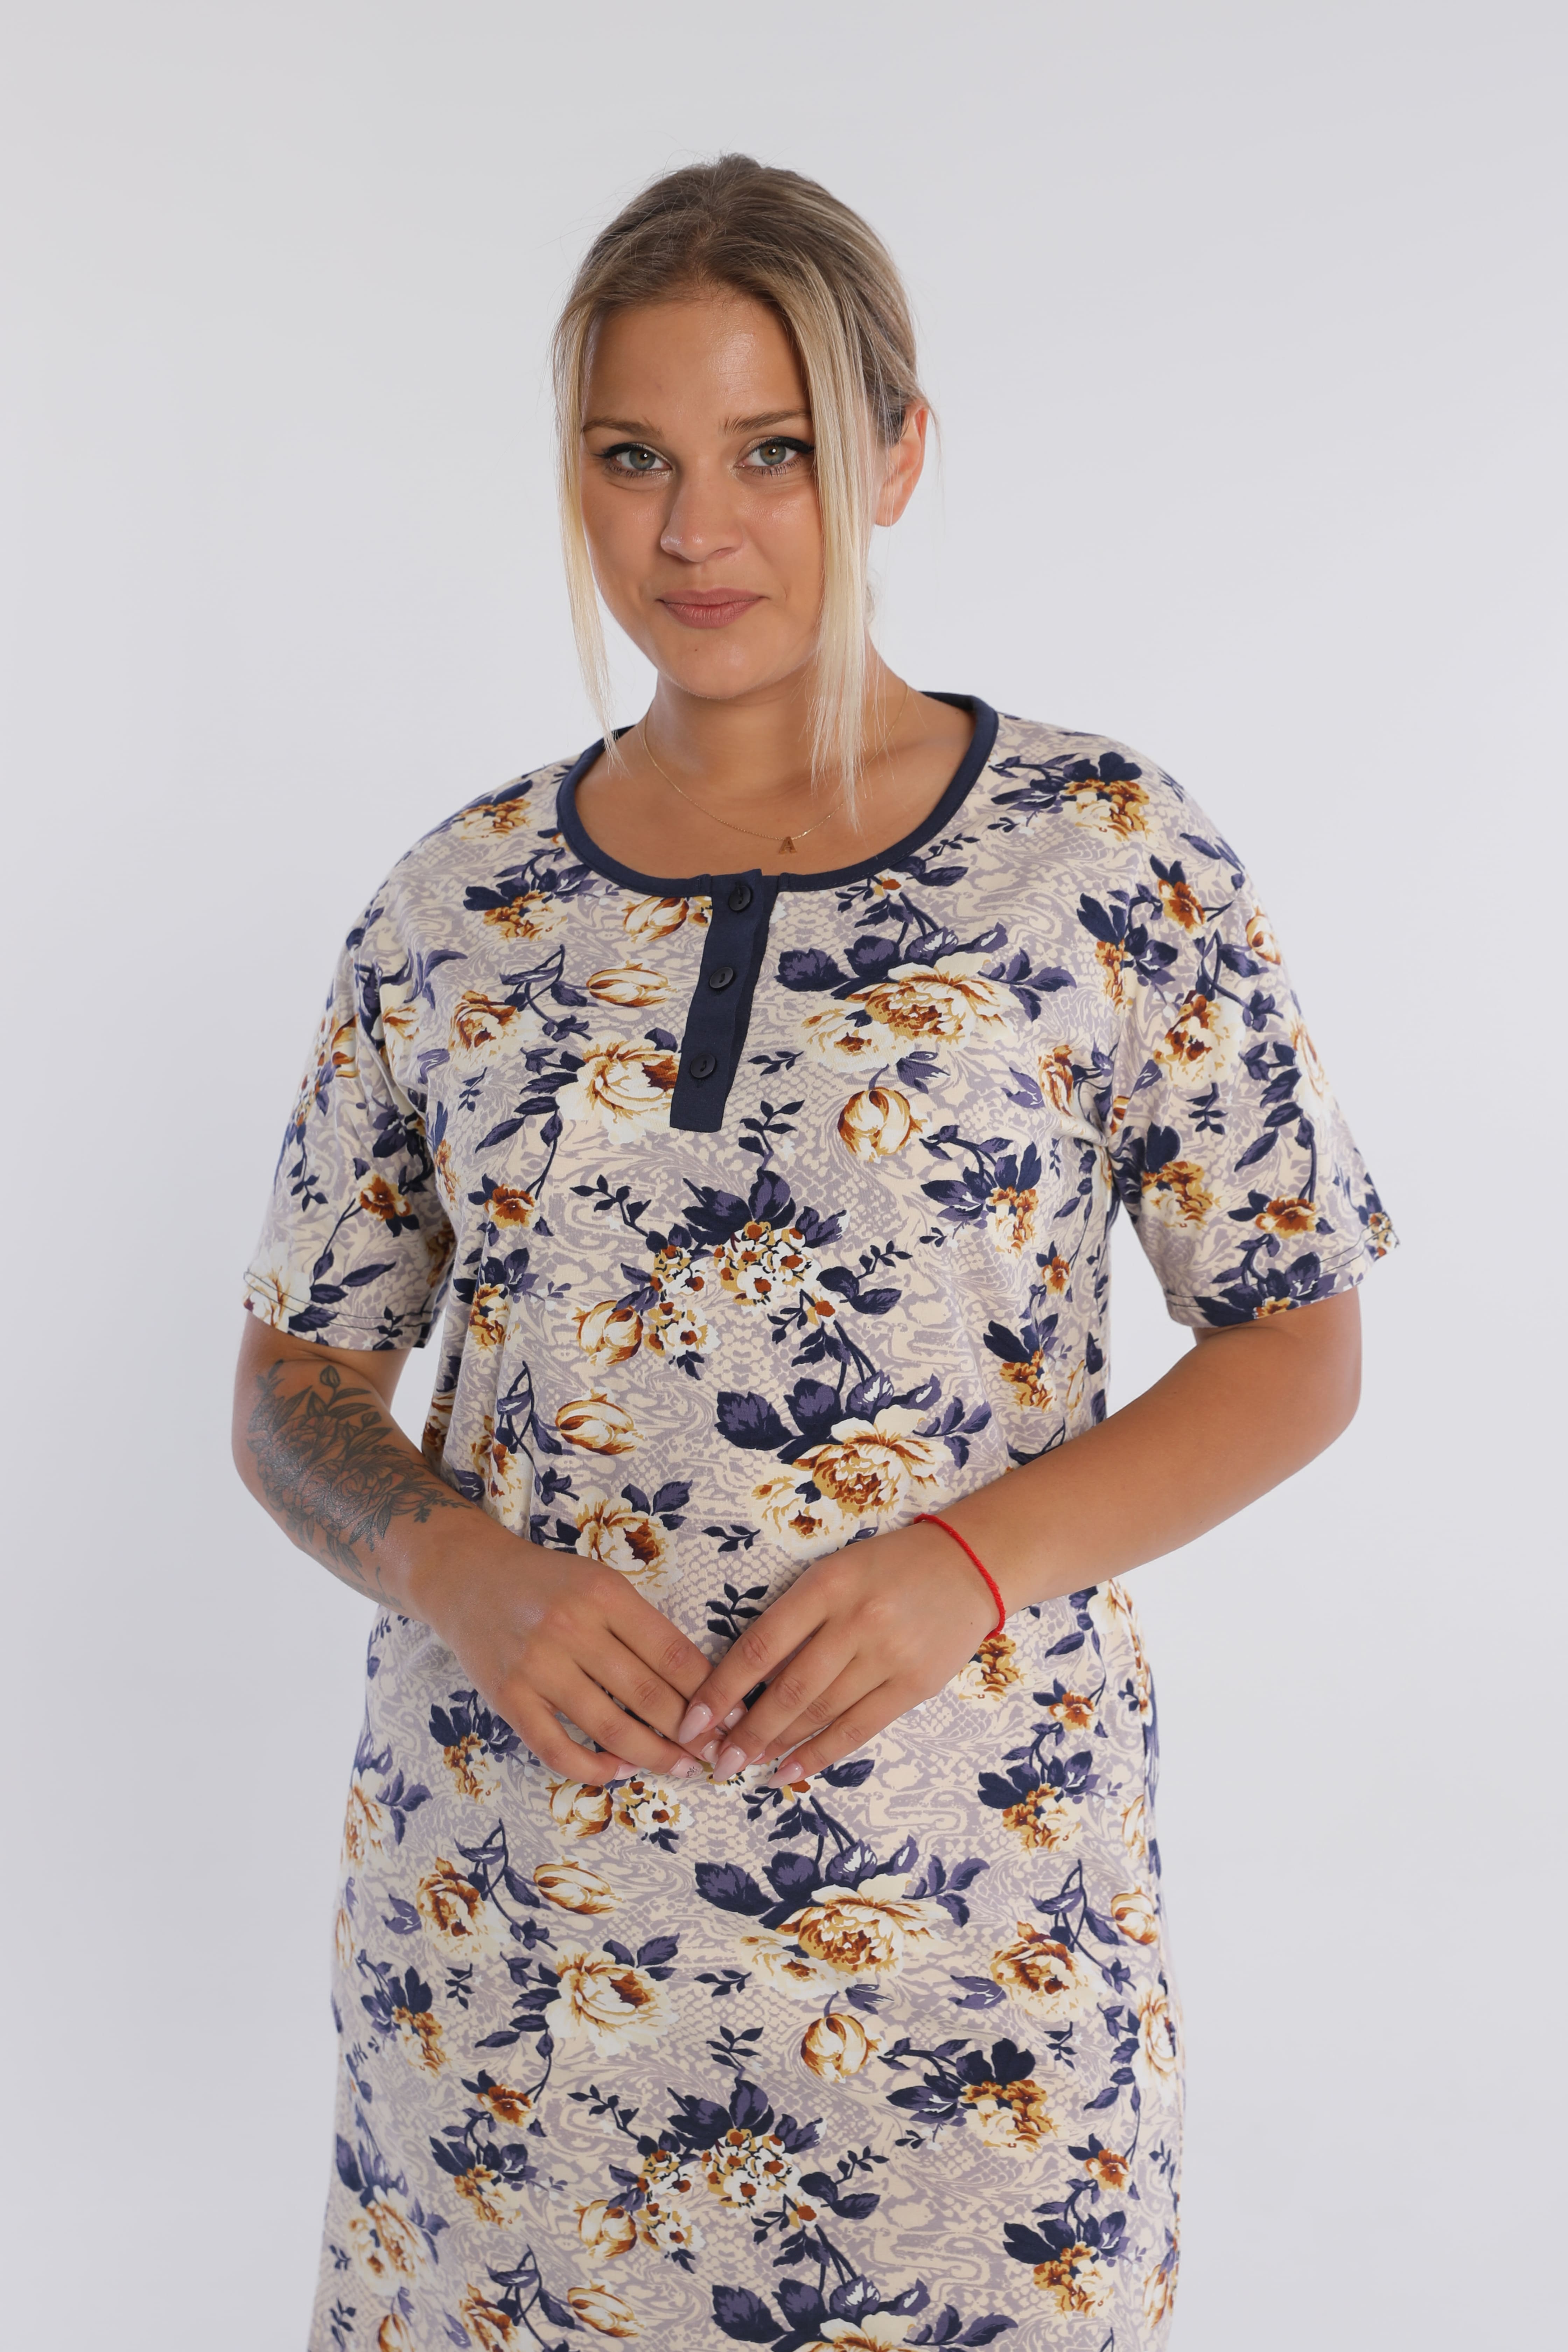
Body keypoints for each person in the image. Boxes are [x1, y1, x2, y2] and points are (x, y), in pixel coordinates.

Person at [234, 155, 1394, 2352]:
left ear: (898, 453)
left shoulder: (1105, 858)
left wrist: (967, 1566)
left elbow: (1296, 1340)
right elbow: (294, 1389)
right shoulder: (454, 905)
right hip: (513, 1974)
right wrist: (459, 1572)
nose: (699, 531)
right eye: (634, 458)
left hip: (966, 1965)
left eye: (772, 452)